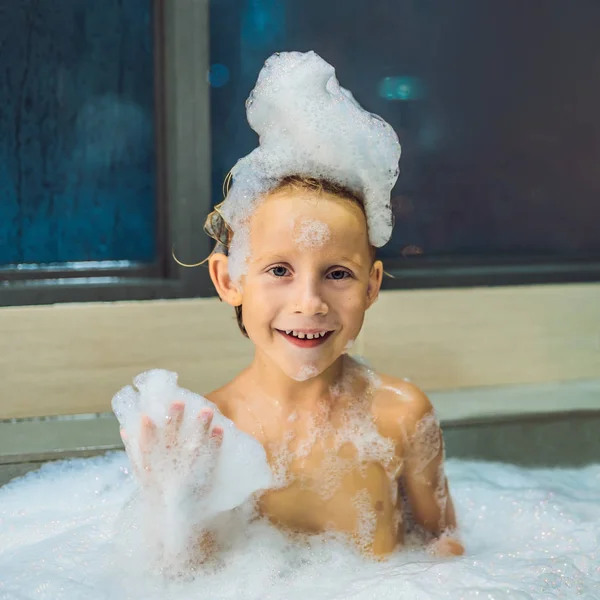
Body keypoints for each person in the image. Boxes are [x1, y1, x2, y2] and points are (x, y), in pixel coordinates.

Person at [121, 51, 464, 564]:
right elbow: (188, 582)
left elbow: (444, 540)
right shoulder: (211, 432)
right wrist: (173, 508)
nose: (309, 302)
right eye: (279, 270)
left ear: (372, 286)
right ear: (229, 278)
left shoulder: (401, 415)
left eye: (337, 274)